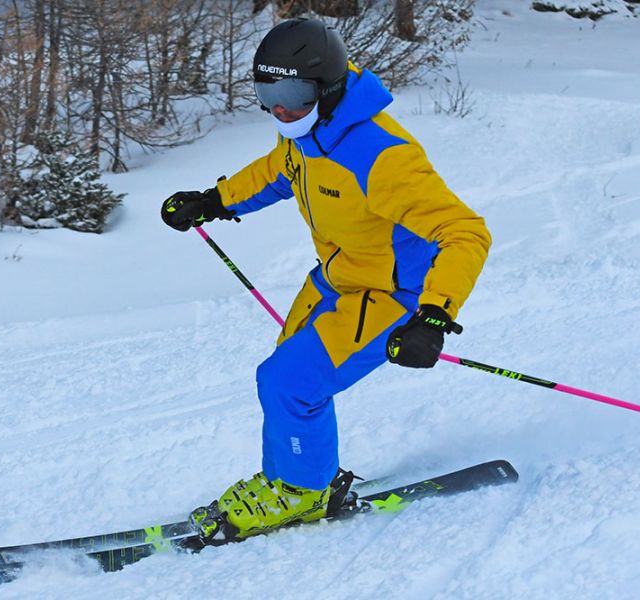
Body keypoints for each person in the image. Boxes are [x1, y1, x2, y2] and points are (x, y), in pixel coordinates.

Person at [161, 18, 491, 540]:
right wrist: (214, 201)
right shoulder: (306, 130)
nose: (279, 108)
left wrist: (434, 314)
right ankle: (299, 478)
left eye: (290, 93)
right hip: (338, 279)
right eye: (267, 93)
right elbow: (278, 170)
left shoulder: (382, 155)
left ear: (328, 86)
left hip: (394, 293)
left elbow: (465, 232)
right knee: (285, 377)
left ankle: (300, 493)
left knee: (292, 381)